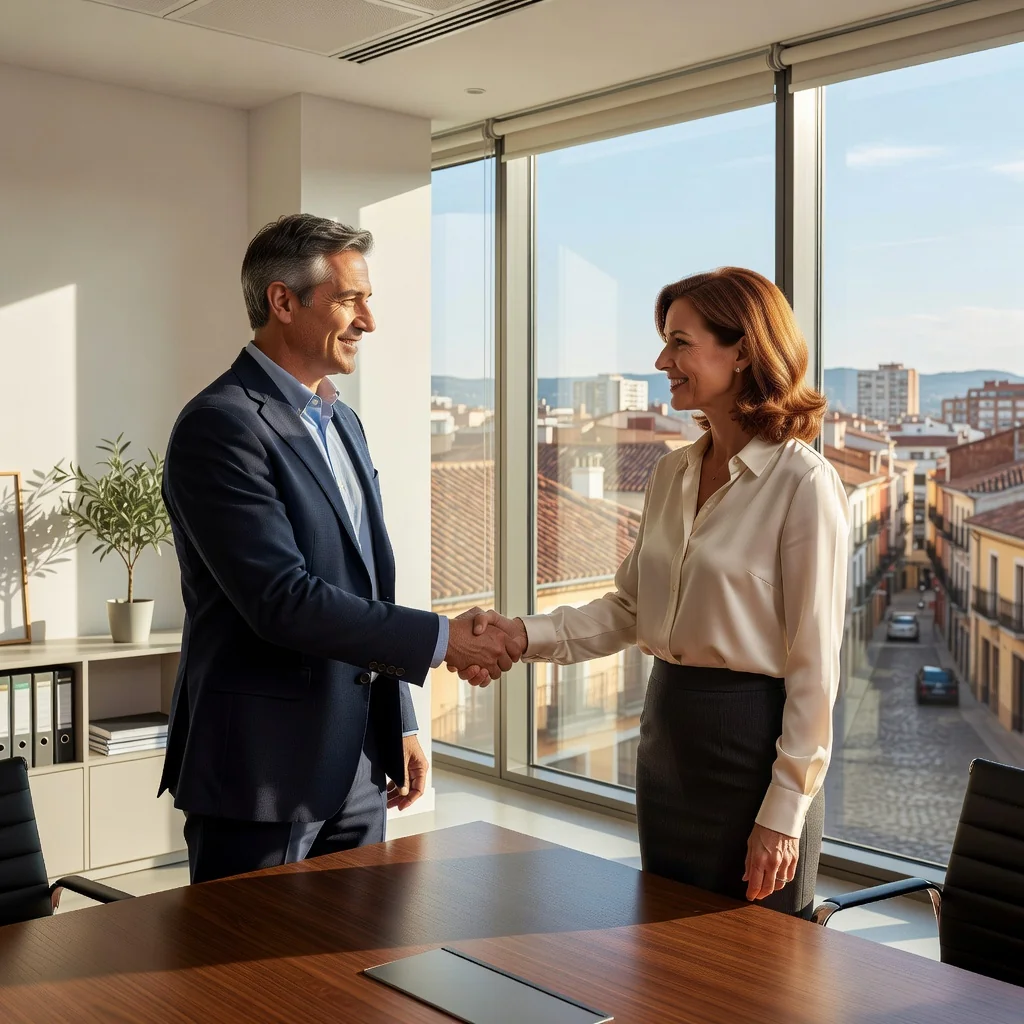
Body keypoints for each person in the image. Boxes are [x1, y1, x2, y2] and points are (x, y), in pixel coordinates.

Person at [464, 267, 849, 917]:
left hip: (750, 754)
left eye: (679, 341)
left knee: (754, 975)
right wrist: (520, 635)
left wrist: (783, 813)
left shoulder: (801, 483)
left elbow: (815, 669)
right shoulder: (673, 472)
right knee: (665, 954)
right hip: (667, 743)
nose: (661, 360)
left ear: (744, 350)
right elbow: (629, 608)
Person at [159, 213, 521, 883]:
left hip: (357, 763)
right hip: (263, 773)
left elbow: (365, 590)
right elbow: (282, 601)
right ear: (282, 301)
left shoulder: (343, 422)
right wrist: (445, 639)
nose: (369, 321)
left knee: (349, 974)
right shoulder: (221, 425)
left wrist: (400, 721)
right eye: (351, 299)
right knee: (246, 980)